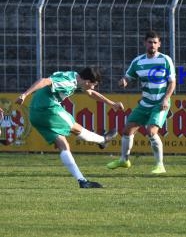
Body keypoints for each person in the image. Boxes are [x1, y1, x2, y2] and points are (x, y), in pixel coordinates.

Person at [15, 68, 123, 188]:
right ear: (87, 81)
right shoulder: (69, 82)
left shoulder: (75, 76)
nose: (93, 88)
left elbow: (91, 93)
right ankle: (103, 140)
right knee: (75, 128)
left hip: (34, 114)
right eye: (93, 85)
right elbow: (44, 81)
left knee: (63, 145)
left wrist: (111, 103)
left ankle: (82, 181)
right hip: (47, 110)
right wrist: (24, 94)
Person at [106, 30, 176, 174]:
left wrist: (166, 99)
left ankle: (160, 165)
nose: (152, 45)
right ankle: (124, 160)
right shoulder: (138, 61)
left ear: (159, 44)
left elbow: (172, 83)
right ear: (145, 43)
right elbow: (128, 76)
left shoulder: (165, 60)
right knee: (127, 130)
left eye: (155, 42)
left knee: (151, 131)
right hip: (145, 102)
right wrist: (124, 81)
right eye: (150, 42)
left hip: (160, 102)